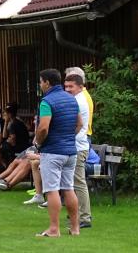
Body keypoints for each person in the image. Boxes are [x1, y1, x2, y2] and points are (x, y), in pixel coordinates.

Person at [34, 68, 82, 237]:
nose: (40, 85)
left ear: (47, 82)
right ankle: (75, 228)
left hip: (53, 151)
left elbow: (44, 127)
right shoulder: (72, 99)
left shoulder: (47, 102)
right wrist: (68, 137)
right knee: (68, 188)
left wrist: (38, 142)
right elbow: (79, 124)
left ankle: (54, 229)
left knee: (52, 190)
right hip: (70, 152)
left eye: (40, 82)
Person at [64, 73, 92, 229]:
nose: (67, 89)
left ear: (80, 87)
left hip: (78, 146)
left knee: (78, 183)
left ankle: (84, 217)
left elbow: (77, 125)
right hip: (76, 145)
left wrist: (67, 138)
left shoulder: (78, 102)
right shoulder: (75, 99)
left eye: (71, 87)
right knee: (72, 183)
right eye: (66, 86)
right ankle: (76, 214)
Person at [65, 67, 94, 142]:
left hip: (82, 136)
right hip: (82, 135)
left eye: (71, 78)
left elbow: (78, 123)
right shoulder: (79, 94)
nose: (68, 81)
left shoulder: (80, 97)